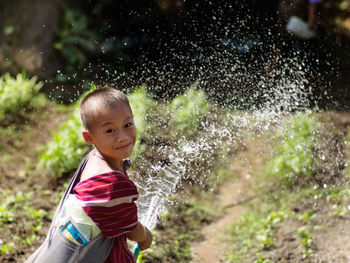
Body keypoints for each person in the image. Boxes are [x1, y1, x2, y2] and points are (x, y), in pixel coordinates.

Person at [27, 87, 152, 263]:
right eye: (110, 131)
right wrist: (144, 236)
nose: (123, 136)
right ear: (89, 137)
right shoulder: (111, 183)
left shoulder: (93, 159)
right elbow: (131, 228)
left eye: (127, 125)